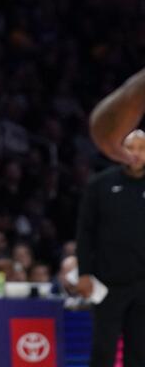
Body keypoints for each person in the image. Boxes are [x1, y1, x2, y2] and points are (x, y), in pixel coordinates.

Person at [76, 129, 145, 366]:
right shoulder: (100, 184)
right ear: (120, 151)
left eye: (142, 148)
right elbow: (85, 232)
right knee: (103, 350)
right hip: (108, 283)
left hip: (143, 284)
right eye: (130, 148)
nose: (136, 154)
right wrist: (84, 272)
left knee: (139, 352)